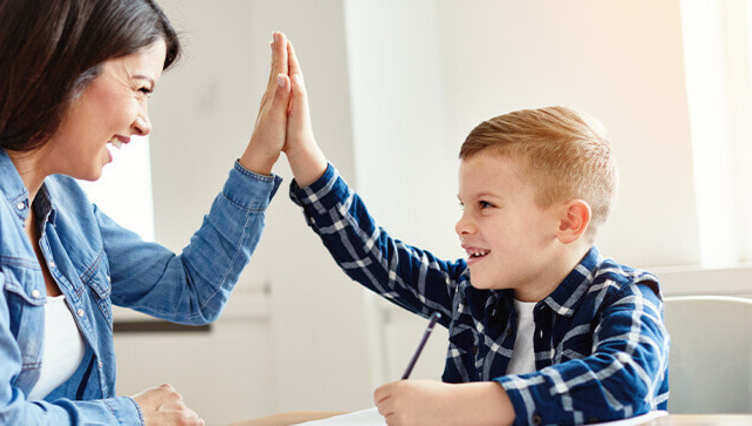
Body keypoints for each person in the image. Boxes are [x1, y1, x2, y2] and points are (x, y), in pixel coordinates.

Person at [0, 0, 297, 423]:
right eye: (139, 88)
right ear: (58, 66)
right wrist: (132, 416)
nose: (144, 121)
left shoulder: (63, 206)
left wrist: (261, 154)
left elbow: (192, 293)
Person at [278, 41, 669, 425]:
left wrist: (463, 406)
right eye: (462, 205)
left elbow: (624, 383)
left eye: (485, 205)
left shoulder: (623, 296)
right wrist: (302, 152)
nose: (462, 224)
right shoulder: (471, 292)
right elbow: (376, 258)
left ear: (567, 223)